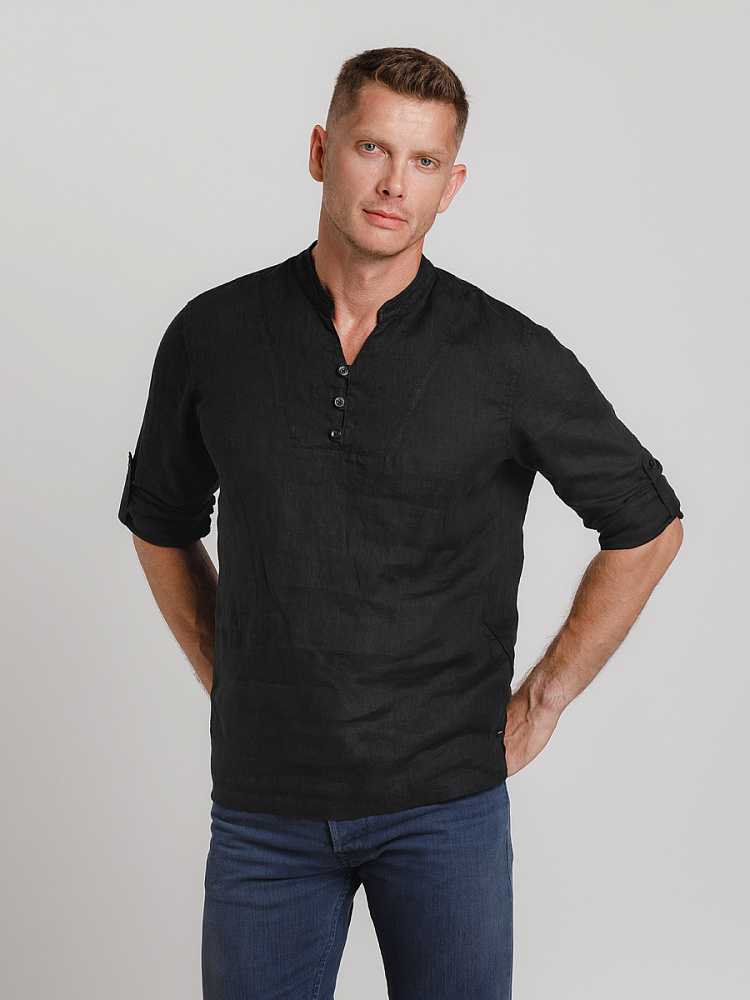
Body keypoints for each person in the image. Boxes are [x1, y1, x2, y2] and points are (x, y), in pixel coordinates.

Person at [118, 46, 683, 1000]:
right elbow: (160, 520)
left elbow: (647, 524)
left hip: (444, 808)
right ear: (321, 151)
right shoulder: (212, 335)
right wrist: (226, 665)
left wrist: (543, 701)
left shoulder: (505, 355)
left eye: (423, 162)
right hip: (265, 810)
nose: (393, 184)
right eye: (371, 148)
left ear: (450, 185)